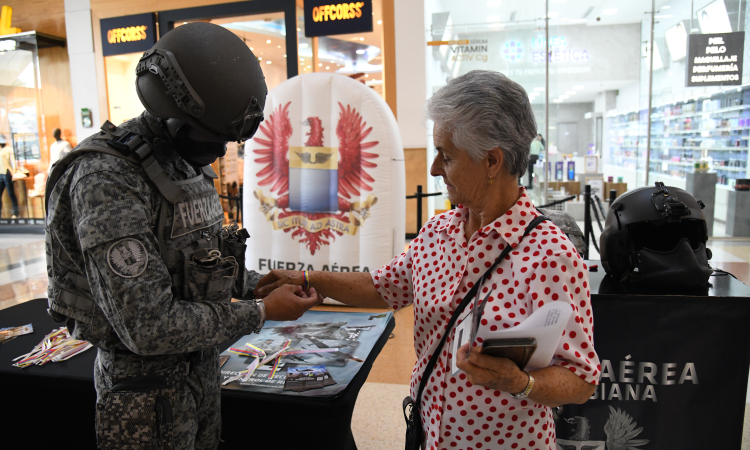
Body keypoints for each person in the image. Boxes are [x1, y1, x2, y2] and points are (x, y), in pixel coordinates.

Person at [255, 70, 600, 450]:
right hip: (428, 435)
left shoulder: (549, 255)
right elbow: (382, 286)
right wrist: (308, 278)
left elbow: (580, 379)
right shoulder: (439, 232)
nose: (434, 168)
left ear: (491, 161)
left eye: (446, 156)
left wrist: (520, 382)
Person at [45, 23, 322, 449]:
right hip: (144, 397)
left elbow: (192, 263)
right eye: (213, 141)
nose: (220, 154)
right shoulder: (109, 180)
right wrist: (261, 312)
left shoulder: (180, 162)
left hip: (200, 373)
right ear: (173, 119)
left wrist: (252, 286)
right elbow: (147, 326)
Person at [0, 135, 19, 218]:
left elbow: (13, 161)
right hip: (0, 173)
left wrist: (14, 173)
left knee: (11, 193)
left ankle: (16, 213)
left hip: (7, 172)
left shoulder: (9, 149)